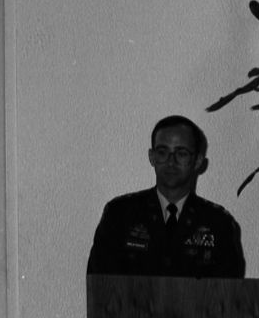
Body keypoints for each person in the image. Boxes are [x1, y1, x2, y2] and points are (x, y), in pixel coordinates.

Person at [86, 115, 245, 278]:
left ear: (197, 161)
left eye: (181, 153)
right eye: (162, 152)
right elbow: (100, 286)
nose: (171, 161)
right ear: (152, 157)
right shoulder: (120, 215)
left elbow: (230, 296)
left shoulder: (218, 223)